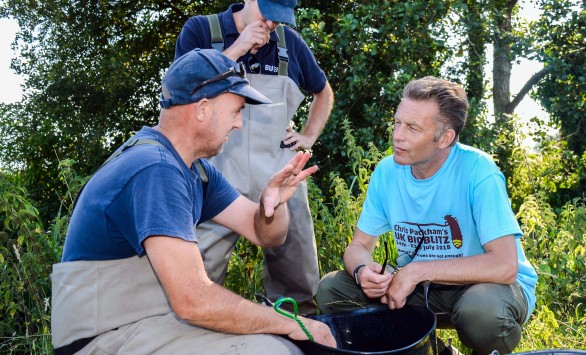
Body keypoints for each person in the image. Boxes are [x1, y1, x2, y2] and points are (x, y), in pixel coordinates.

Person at [51, 48, 336, 354]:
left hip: (149, 322)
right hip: (101, 338)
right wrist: (294, 323)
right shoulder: (155, 169)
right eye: (236, 110)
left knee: (278, 341)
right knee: (278, 350)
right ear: (201, 109)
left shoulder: (195, 171)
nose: (239, 124)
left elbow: (265, 235)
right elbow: (194, 301)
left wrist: (274, 204)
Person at [316, 76, 538, 355]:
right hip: (419, 287)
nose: (398, 135)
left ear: (445, 138)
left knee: (482, 314)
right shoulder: (387, 172)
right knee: (332, 290)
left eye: (412, 128)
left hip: (487, 287)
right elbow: (359, 246)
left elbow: (504, 267)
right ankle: (430, 353)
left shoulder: (479, 172)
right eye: (397, 122)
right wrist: (363, 272)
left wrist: (416, 270)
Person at [174, 0, 334, 316]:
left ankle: (295, 335)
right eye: (268, 15)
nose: (273, 24)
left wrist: (308, 136)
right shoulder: (202, 31)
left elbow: (323, 92)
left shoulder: (289, 43)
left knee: (298, 281)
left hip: (279, 177)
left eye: (280, 18)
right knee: (195, 274)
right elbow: (181, 90)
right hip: (215, 176)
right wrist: (237, 49)